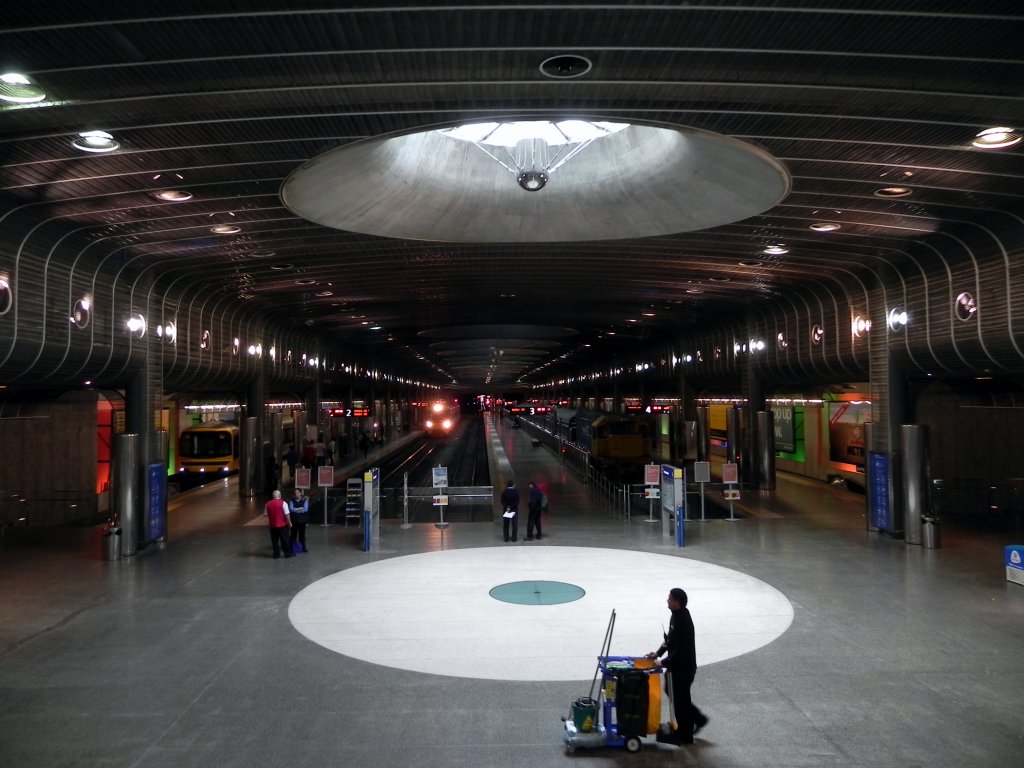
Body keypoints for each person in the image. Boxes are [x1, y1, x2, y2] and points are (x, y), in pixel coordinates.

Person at [646, 587, 708, 745]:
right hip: (675, 667)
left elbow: (680, 652)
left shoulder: (684, 622)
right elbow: (670, 639)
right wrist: (658, 653)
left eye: (669, 598)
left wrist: (662, 662)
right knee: (676, 696)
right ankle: (699, 719)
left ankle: (686, 735)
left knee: (681, 701)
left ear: (676, 602)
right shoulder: (675, 616)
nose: (667, 600)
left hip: (684, 669)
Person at [264, 490, 292, 559]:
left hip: (273, 526)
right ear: (280, 496)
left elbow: (265, 514)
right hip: (283, 525)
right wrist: (289, 523)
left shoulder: (268, 503)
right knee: (285, 540)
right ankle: (287, 554)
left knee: (275, 541)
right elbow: (287, 514)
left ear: (273, 496)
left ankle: (276, 554)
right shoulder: (283, 503)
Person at [288, 488, 309, 553]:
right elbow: (291, 509)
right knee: (293, 535)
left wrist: (296, 509)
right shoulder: (291, 500)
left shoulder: (305, 500)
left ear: (300, 493)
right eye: (295, 493)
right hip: (294, 520)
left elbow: (305, 509)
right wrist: (300, 508)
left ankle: (303, 547)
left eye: (297, 492)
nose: (296, 494)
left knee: (302, 535)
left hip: (302, 521)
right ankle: (291, 548)